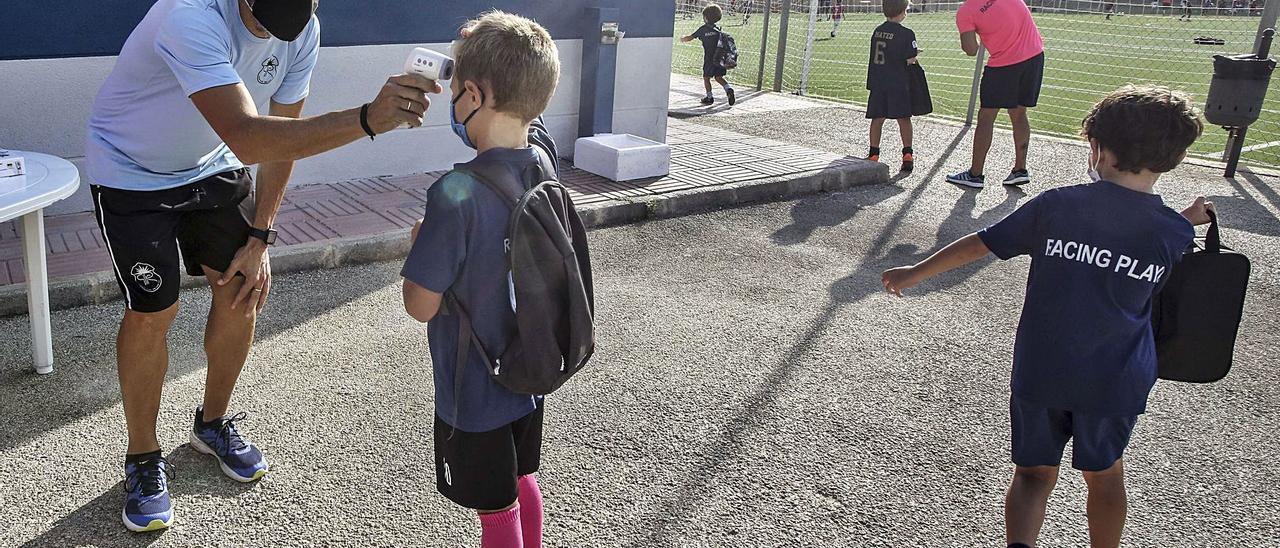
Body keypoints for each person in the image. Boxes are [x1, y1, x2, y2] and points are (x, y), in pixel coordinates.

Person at [85, 0, 441, 532]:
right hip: (130, 171)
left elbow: (282, 138)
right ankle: (142, 456)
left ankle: (211, 424)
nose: (270, 34)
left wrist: (260, 236)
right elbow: (249, 136)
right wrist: (368, 119)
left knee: (243, 288)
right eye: (260, 21)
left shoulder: (304, 28)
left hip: (209, 165)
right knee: (153, 311)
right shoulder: (188, 16)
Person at [882, 85, 1214, 548]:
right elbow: (1144, 236)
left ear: (1098, 148)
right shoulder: (1173, 231)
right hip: (1115, 378)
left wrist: (916, 271)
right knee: (1105, 474)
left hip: (1044, 368)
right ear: (1172, 158)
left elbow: (982, 243)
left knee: (1033, 474)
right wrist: (1189, 217)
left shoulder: (1057, 206)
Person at [400, 11, 561, 548]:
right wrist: (498, 53)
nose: (452, 103)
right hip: (529, 368)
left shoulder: (454, 196)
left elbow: (421, 305)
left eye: (455, 93)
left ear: (471, 94)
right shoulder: (543, 164)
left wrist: (421, 245)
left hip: (475, 389)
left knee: (495, 508)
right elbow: (525, 102)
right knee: (521, 477)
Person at [948, 0, 1045, 189]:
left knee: (986, 117)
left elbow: (971, 50)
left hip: (1004, 65)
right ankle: (1020, 169)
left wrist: (978, 31)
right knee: (1019, 113)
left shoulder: (966, 11)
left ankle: (975, 175)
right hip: (1034, 56)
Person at [864, 0, 919, 173]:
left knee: (877, 118)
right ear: (902, 11)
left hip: (879, 81)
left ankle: (874, 153)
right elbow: (910, 59)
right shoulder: (906, 33)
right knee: (903, 118)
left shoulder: (877, 31)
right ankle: (907, 154)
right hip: (898, 82)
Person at [681, 4, 737, 106]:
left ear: (706, 17)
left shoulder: (703, 29)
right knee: (719, 77)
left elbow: (690, 37)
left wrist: (683, 38)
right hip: (719, 58)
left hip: (709, 59)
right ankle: (728, 89)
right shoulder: (718, 30)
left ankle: (709, 97)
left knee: (706, 77)